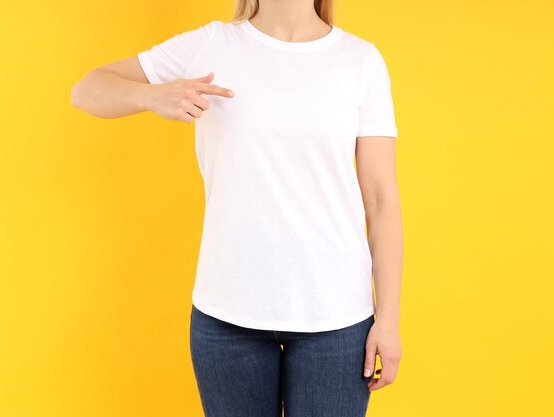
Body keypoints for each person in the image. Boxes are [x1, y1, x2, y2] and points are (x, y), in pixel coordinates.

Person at [71, 0, 403, 416]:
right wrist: (151, 95)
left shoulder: (360, 61)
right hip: (227, 314)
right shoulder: (210, 46)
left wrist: (387, 319)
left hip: (335, 318)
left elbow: (381, 199)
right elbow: (85, 90)